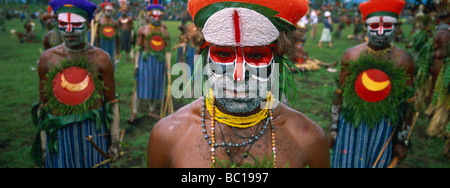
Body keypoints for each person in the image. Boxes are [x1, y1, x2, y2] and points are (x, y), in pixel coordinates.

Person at [147, 0, 330, 168]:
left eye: (257, 56)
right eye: (224, 54)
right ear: (204, 57)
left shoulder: (308, 140)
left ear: (277, 59)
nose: (239, 76)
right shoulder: (168, 136)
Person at [32, 0, 120, 168]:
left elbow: (111, 103)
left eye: (76, 25)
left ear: (88, 24)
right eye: (63, 24)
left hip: (93, 133)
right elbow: (43, 107)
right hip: (59, 134)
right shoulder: (47, 59)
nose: (69, 31)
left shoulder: (101, 59)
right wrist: (44, 147)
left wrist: (115, 142)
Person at [330, 0, 415, 168]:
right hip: (351, 122)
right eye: (375, 26)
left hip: (384, 125)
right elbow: (339, 94)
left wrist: (401, 140)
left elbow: (409, 103)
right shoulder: (352, 55)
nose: (381, 33)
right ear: (365, 27)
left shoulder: (404, 60)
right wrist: (334, 128)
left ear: (396, 28)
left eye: (387, 27)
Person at [127, 2, 170, 123]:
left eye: (158, 17)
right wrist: (136, 64)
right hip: (145, 61)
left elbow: (167, 50)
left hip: (159, 62)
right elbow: (138, 48)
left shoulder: (164, 31)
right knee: (141, 84)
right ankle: (134, 111)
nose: (156, 19)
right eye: (154, 16)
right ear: (149, 16)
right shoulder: (143, 30)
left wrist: (168, 65)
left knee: (156, 85)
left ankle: (152, 110)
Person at [96, 2, 119, 69]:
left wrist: (117, 49)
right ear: (104, 11)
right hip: (102, 42)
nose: (109, 12)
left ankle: (111, 74)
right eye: (107, 10)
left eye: (110, 11)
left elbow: (117, 37)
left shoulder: (114, 23)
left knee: (111, 58)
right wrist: (97, 47)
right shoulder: (100, 22)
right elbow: (97, 35)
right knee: (102, 58)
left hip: (112, 42)